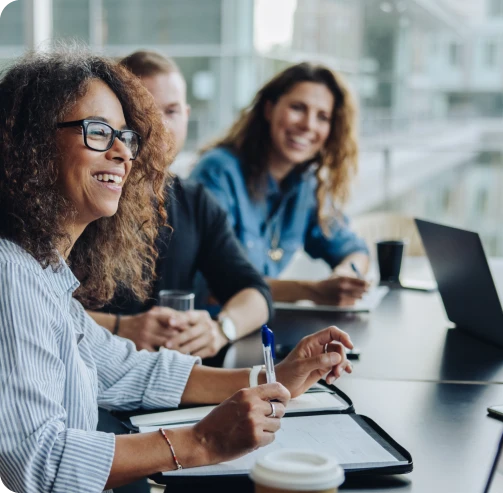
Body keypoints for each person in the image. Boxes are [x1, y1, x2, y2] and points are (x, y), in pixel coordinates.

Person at [0, 48, 353, 493]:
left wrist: (272, 377)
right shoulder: (9, 276)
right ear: (28, 146)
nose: (122, 154)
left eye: (125, 137)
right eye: (97, 132)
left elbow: (128, 370)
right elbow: (36, 465)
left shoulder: (44, 270)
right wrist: (202, 441)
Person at [85, 50, 270, 360]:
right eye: (143, 113)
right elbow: (35, 306)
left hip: (174, 384)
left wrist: (221, 328)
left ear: (186, 115)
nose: (158, 126)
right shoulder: (87, 196)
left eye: (170, 111)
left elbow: (255, 293)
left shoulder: (195, 202)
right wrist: (120, 327)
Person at [190, 62, 370, 307]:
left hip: (260, 326)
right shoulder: (219, 172)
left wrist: (347, 275)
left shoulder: (306, 184)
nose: (308, 125)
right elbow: (216, 286)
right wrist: (312, 291)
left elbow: (354, 249)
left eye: (322, 117)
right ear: (268, 109)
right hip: (210, 330)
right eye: (298, 108)